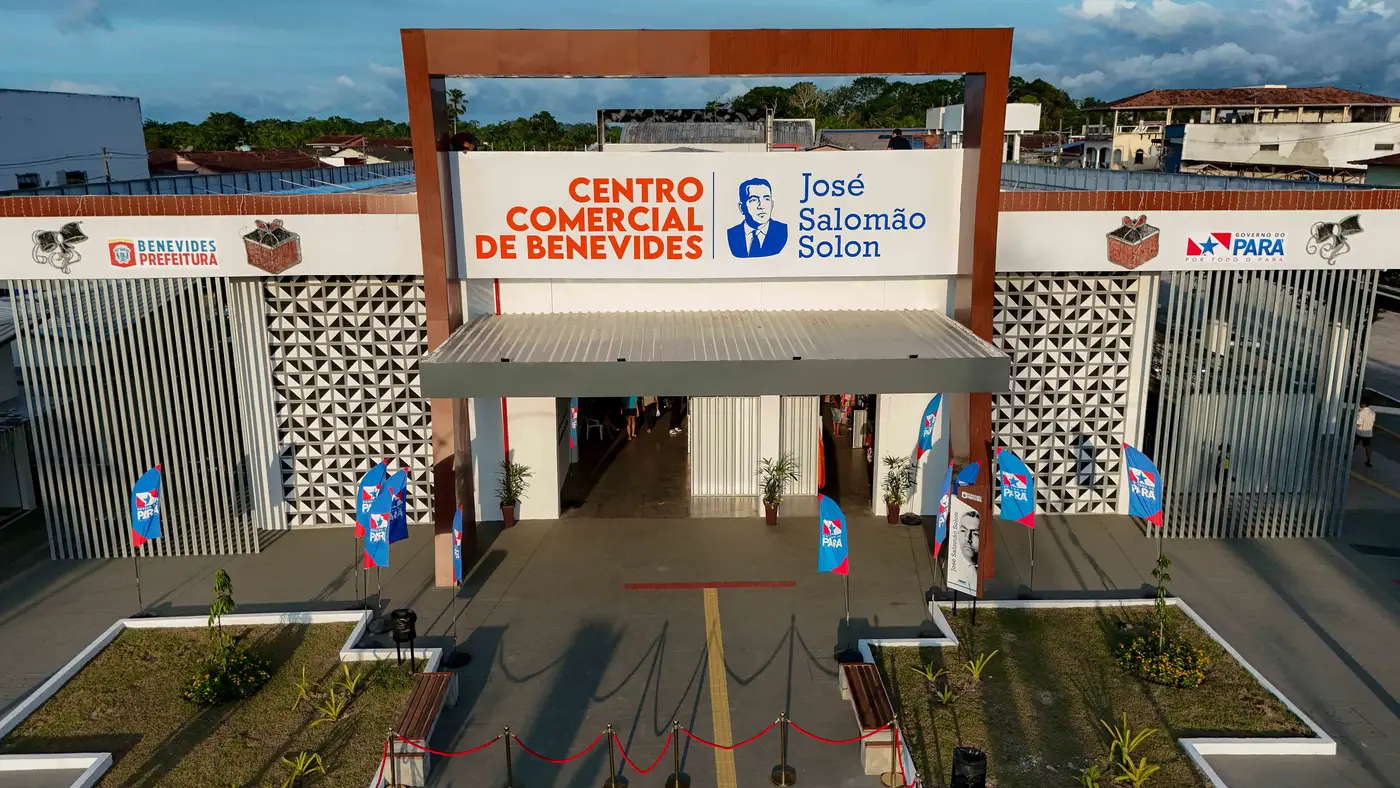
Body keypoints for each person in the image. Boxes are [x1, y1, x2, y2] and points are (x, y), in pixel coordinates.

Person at [726, 178, 788, 258]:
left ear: (772, 205)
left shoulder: (783, 230)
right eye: (754, 200)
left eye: (767, 199)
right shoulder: (731, 234)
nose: (761, 206)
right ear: (742, 208)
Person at [1356, 397, 1375, 467]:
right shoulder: (1372, 413)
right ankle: (1369, 459)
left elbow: (1358, 424)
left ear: (1363, 404)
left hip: (1360, 431)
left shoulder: (1361, 413)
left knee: (1353, 443)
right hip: (1369, 432)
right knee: (1367, 446)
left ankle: (1347, 455)